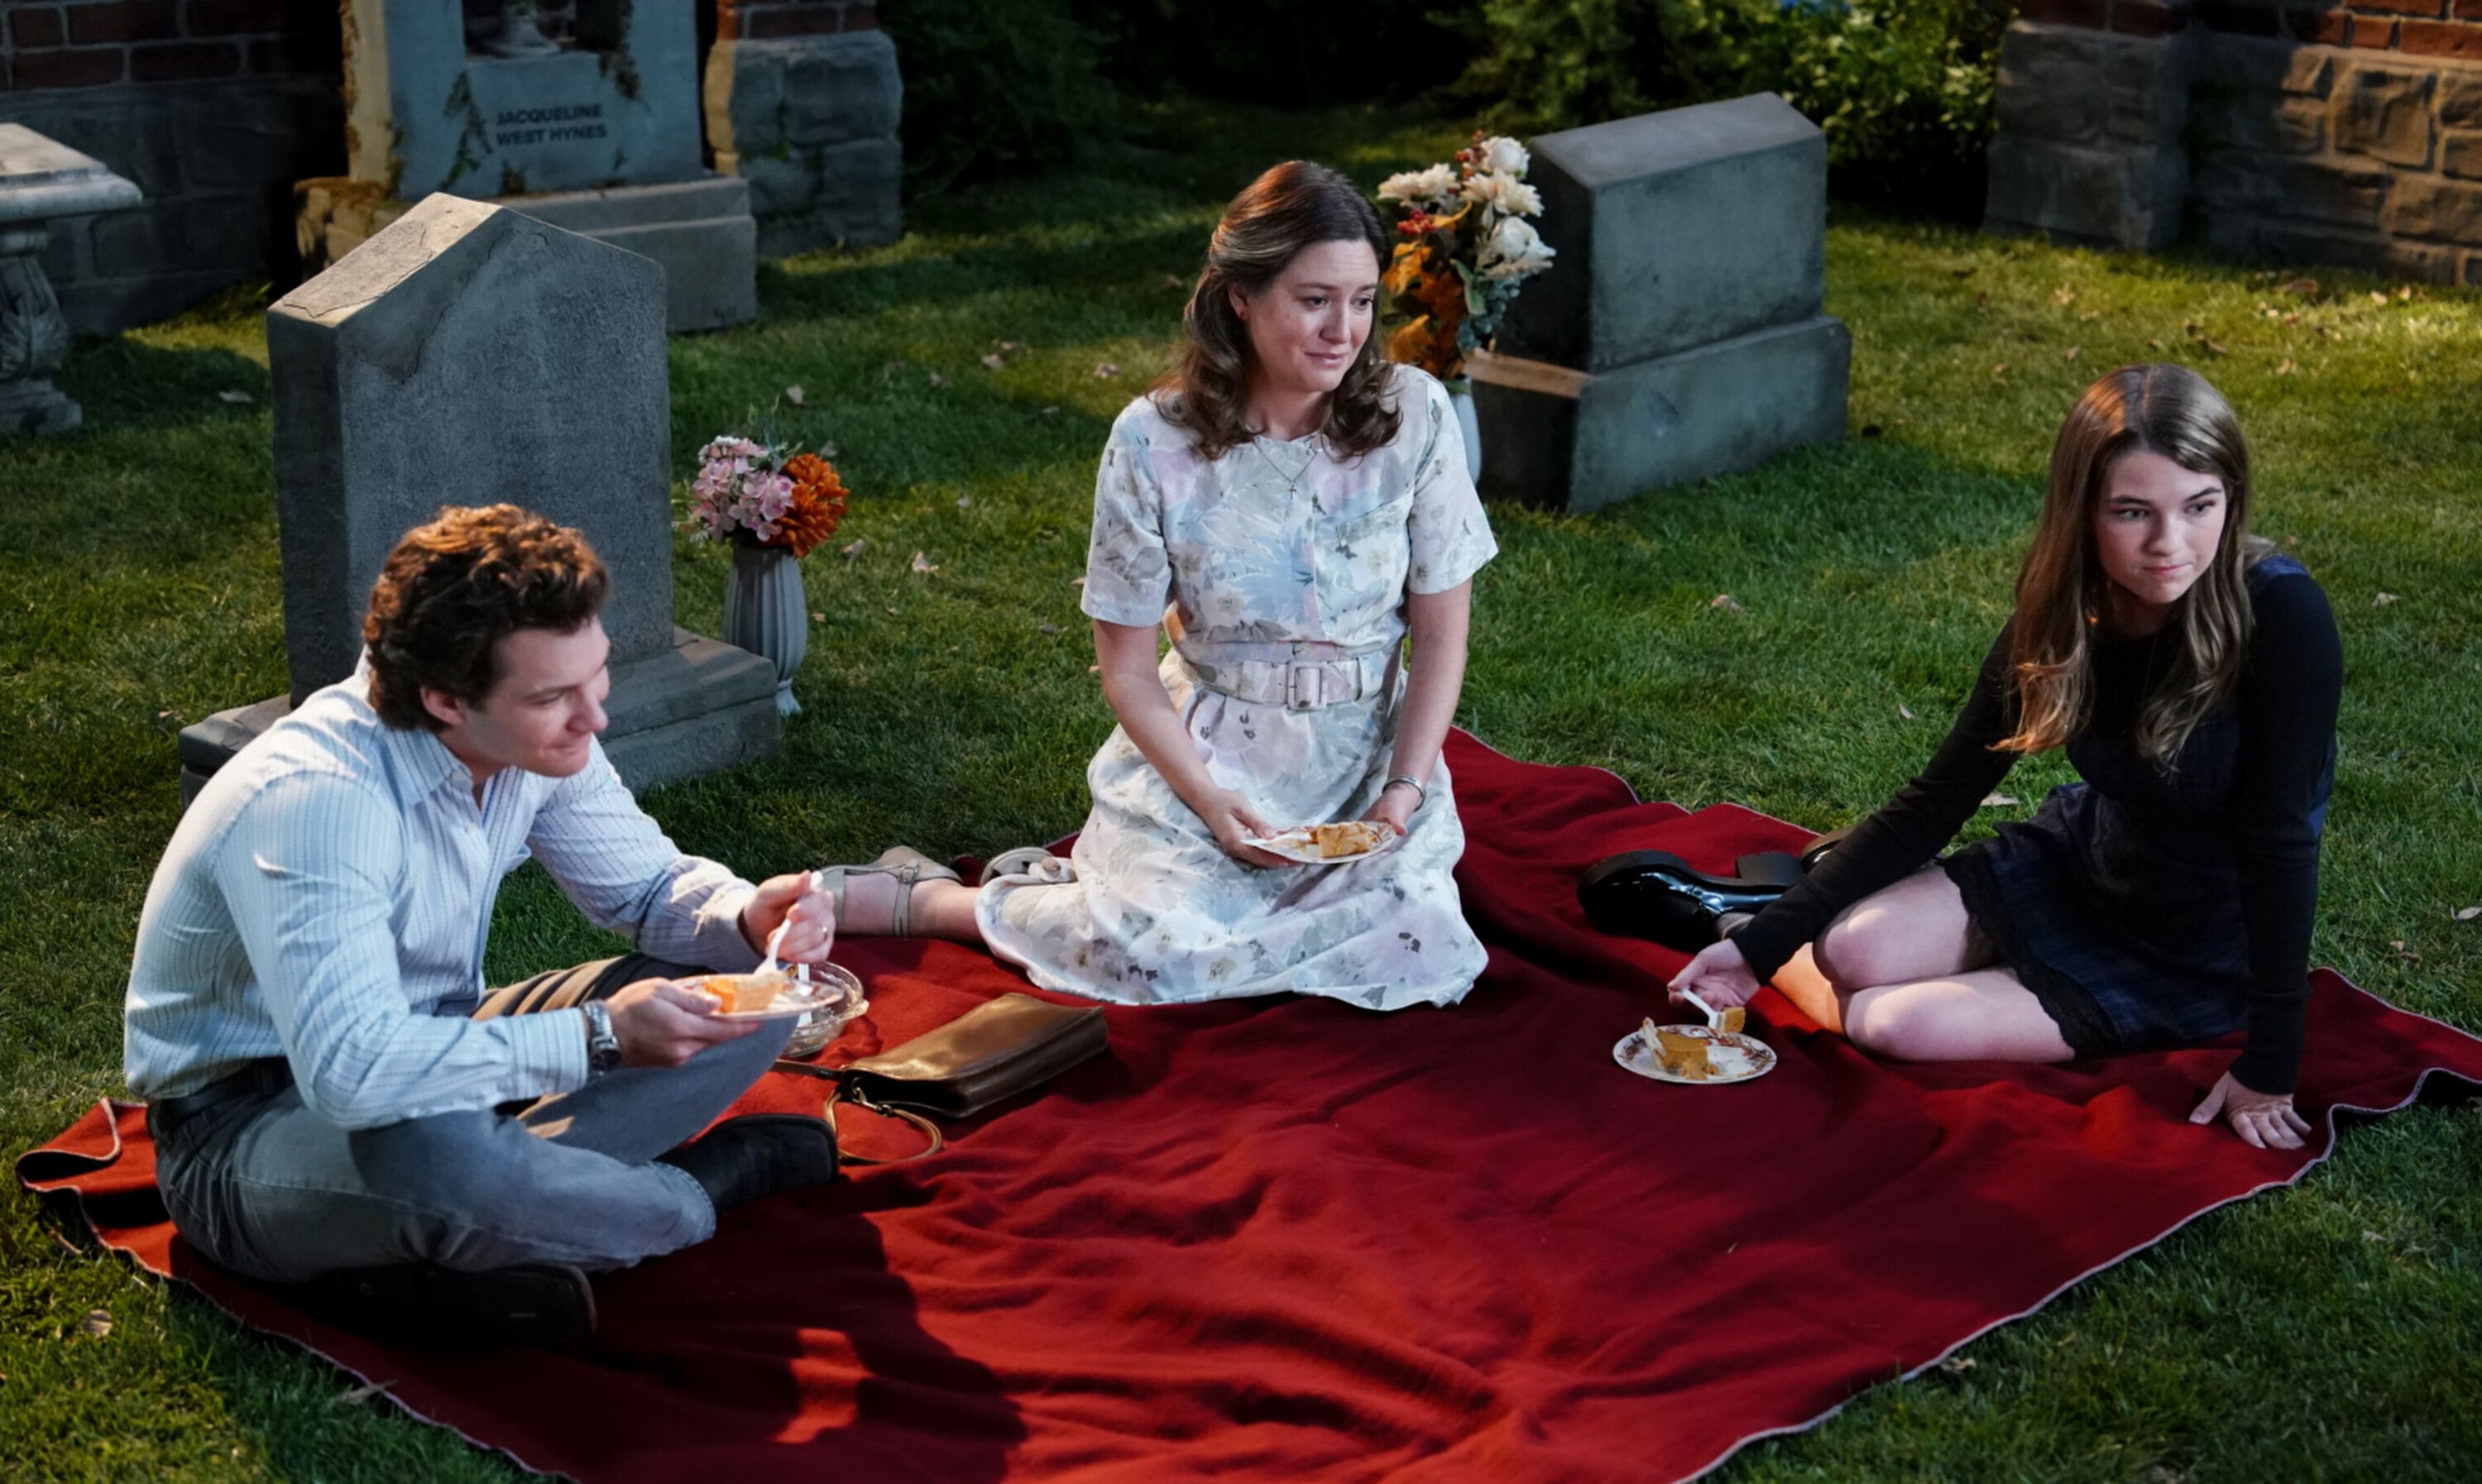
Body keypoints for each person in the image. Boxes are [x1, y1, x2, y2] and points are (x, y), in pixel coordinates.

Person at [125, 505, 841, 1346]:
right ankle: (687, 1195)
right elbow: (352, 1073)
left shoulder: (526, 737)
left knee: (754, 1001)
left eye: (597, 675)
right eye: (553, 697)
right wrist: (601, 1037)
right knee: (444, 1160)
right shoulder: (319, 801)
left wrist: (748, 918)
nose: (594, 717)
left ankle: (487, 1226)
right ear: (443, 698)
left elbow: (646, 889)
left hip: (434, 1047)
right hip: (243, 1130)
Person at [819, 160, 1499, 1010]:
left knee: (1424, 951)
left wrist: (1403, 791)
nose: (1344, 330)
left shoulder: (1415, 415)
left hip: (1364, 760)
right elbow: (1130, 670)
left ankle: (1157, 903)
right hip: (1210, 753)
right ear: (1241, 297)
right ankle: (946, 903)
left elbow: (1441, 632)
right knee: (1161, 955)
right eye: (1314, 299)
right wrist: (1213, 805)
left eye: (1363, 301)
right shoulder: (1153, 441)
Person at [1660, 364, 2341, 1149]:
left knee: (1891, 1022)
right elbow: (1936, 801)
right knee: (1852, 949)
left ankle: (1747, 918)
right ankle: (1763, 928)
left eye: (2200, 507)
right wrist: (1761, 951)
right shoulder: (2065, 616)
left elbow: (2282, 839)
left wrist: (2271, 1061)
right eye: (2132, 511)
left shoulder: (2283, 616)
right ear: (2081, 510)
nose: (2169, 545)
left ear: (2232, 499)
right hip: (2083, 864)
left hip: (2195, 948)